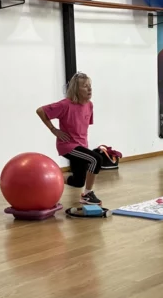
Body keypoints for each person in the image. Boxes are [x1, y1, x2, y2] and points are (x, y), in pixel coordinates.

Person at [36, 72, 118, 206]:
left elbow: (82, 127)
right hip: (67, 145)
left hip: (81, 146)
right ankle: (87, 195)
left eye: (90, 85)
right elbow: (40, 111)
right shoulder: (65, 105)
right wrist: (53, 130)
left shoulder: (89, 105)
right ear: (76, 89)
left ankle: (51, 177)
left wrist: (84, 147)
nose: (89, 89)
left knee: (78, 182)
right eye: (85, 86)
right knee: (96, 159)